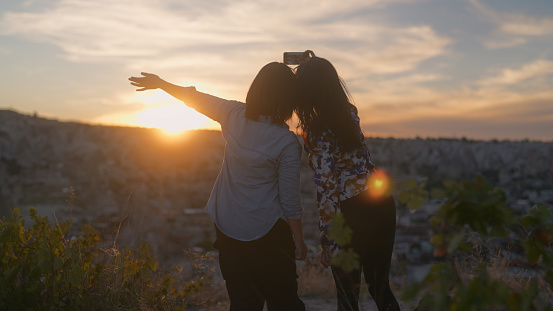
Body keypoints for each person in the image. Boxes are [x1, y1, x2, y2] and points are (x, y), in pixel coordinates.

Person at [129, 62, 307, 311]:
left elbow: (194, 98)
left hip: (228, 227)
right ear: (289, 99)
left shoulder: (234, 114)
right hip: (267, 232)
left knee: (243, 302)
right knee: (284, 301)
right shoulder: (286, 142)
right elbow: (290, 201)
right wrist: (299, 240)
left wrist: (161, 84)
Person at [294, 54, 400, 311]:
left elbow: (327, 187)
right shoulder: (350, 114)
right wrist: (313, 64)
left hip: (351, 213)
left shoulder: (317, 131)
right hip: (381, 202)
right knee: (379, 287)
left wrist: (328, 241)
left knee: (347, 296)